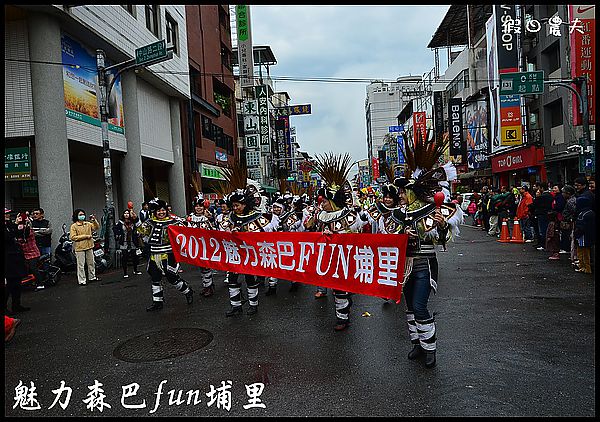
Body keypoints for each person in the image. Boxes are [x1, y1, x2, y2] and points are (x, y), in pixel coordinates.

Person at [392, 131, 463, 369]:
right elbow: (386, 239)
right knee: (410, 307)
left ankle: (430, 348)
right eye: (400, 192)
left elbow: (443, 240)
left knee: (420, 306)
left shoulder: (432, 210)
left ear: (412, 191)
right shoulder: (398, 214)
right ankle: (417, 344)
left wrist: (442, 227)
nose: (400, 195)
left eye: (403, 191)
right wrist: (402, 235)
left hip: (424, 265)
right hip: (404, 267)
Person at [307, 152, 368, 331]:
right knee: (335, 288)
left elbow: (355, 232)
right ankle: (342, 314)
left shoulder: (349, 215)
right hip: (327, 257)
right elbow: (309, 227)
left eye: (325, 201)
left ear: (333, 201)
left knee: (341, 289)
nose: (323, 204)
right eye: (322, 201)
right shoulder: (320, 214)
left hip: (344, 257)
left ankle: (343, 318)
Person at [137, 199, 194, 311]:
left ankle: (188, 291)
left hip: (168, 254)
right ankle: (157, 302)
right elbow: (141, 231)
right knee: (155, 278)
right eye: (158, 211)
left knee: (172, 277)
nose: (161, 213)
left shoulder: (174, 222)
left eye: (163, 210)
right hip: (154, 255)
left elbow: (185, 231)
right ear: (155, 212)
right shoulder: (149, 222)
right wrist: (135, 220)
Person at [186, 195, 215, 297]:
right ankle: (206, 285)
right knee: (201, 267)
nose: (198, 208)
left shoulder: (208, 217)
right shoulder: (190, 218)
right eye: (197, 206)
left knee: (206, 267)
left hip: (206, 246)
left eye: (200, 206)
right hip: (195, 246)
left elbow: (214, 231)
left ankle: (209, 287)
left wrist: (210, 219)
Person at [5, 208, 31, 314]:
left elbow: (22, 235)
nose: (8, 215)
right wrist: (16, 228)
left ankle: (17, 305)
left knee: (17, 284)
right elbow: (8, 237)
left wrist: (25, 226)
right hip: (7, 260)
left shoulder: (10, 225)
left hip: (15, 258)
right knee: (8, 285)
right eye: (6, 213)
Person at [70, 209, 100, 285]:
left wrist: (94, 220)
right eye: (80, 215)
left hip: (89, 246)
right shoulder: (74, 226)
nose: (82, 216)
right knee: (81, 265)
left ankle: (92, 277)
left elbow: (96, 227)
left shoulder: (88, 224)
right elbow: (73, 237)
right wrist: (86, 236)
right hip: (80, 248)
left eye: (83, 214)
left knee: (91, 263)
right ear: (76, 216)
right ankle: (82, 280)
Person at [14, 212, 43, 290]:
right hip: (24, 253)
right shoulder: (19, 228)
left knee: (33, 268)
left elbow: (23, 236)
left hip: (33, 253)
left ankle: (40, 284)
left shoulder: (28, 229)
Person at [113, 209, 143, 279]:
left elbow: (139, 225)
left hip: (133, 241)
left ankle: (135, 270)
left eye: (127, 213)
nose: (126, 214)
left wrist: (135, 217)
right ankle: (125, 272)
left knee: (134, 256)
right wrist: (119, 234)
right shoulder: (120, 222)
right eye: (125, 213)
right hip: (124, 242)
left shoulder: (133, 222)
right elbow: (114, 228)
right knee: (125, 257)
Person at [573, 196, 595, 273]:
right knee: (585, 251)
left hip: (583, 236)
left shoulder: (582, 214)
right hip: (589, 235)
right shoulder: (591, 213)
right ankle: (584, 266)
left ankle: (585, 267)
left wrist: (576, 234)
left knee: (583, 252)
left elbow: (580, 227)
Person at [532, 184, 553, 250]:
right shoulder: (550, 195)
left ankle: (543, 244)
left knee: (542, 230)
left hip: (541, 214)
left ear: (542, 188)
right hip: (548, 214)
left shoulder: (542, 197)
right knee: (547, 229)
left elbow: (535, 204)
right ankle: (547, 244)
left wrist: (537, 197)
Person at [560, 185, 578, 267]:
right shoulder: (569, 200)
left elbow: (574, 212)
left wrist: (570, 218)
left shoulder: (571, 201)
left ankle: (573, 256)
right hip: (569, 221)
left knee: (571, 238)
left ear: (568, 193)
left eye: (563, 192)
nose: (562, 194)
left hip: (570, 222)